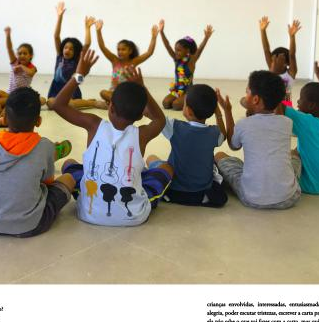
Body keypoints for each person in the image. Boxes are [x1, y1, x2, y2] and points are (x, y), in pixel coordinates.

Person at [54, 50, 173, 226]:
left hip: (89, 213)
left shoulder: (94, 124)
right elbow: (160, 119)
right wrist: (143, 88)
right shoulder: (141, 134)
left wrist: (79, 75)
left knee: (69, 163)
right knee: (165, 168)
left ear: (110, 108)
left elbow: (58, 105)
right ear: (140, 116)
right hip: (133, 216)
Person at [0, 88, 75, 237]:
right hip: (32, 225)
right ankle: (53, 155)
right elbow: (48, 182)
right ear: (39, 121)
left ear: (4, 119)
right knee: (68, 179)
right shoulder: (45, 146)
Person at [215, 70, 301, 209]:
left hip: (252, 198)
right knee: (294, 155)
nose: (245, 96)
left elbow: (233, 145)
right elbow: (278, 113)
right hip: (289, 197)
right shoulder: (287, 123)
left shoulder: (244, 124)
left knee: (220, 156)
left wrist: (227, 111)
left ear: (255, 100)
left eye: (247, 92)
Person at [146, 84, 231, 207]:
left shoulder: (175, 127)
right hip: (201, 194)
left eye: (184, 103)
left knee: (151, 158)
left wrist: (144, 89)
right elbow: (223, 135)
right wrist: (218, 114)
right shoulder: (214, 133)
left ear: (189, 111)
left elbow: (154, 115)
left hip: (173, 192)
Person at [280, 83, 319, 194]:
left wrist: (283, 87)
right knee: (299, 149)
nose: (298, 101)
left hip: (312, 186)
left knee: (291, 154)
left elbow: (278, 106)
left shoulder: (306, 122)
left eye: (301, 98)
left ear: (311, 105)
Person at [46, 2, 101, 109]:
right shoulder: (60, 56)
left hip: (71, 90)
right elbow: (56, 36)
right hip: (56, 89)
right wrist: (59, 16)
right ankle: (84, 102)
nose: (67, 50)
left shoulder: (77, 60)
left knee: (69, 104)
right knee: (51, 103)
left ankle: (91, 103)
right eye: (66, 47)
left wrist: (87, 28)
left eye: (71, 49)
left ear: (76, 52)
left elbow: (87, 44)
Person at [95, 19, 159, 105]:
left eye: (123, 49)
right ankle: (117, 102)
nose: (120, 52)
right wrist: (98, 31)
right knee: (103, 92)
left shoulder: (134, 62)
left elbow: (149, 52)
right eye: (118, 49)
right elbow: (102, 47)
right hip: (114, 92)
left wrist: (154, 37)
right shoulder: (114, 60)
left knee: (134, 97)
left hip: (128, 92)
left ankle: (115, 103)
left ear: (130, 51)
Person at [160, 20, 214, 110]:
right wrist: (162, 32)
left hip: (188, 91)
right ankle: (180, 99)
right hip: (177, 89)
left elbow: (200, 49)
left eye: (179, 50)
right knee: (165, 103)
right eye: (175, 50)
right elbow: (167, 46)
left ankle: (191, 99)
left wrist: (206, 38)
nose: (176, 52)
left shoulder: (191, 61)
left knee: (176, 105)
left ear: (187, 50)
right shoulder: (176, 60)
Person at [0, 26, 46, 105]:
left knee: (43, 100)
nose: (22, 55)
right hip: (11, 93)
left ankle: (14, 102)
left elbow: (31, 73)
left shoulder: (32, 67)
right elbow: (9, 48)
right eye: (19, 53)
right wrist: (8, 35)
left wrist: (21, 66)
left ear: (31, 55)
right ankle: (17, 102)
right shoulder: (14, 62)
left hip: (24, 94)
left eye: (25, 53)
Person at [258, 16, 301, 106]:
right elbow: (266, 50)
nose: (276, 62)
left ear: (287, 63)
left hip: (286, 105)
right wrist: (263, 31)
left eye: (281, 60)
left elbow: (292, 55)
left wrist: (292, 37)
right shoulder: (272, 67)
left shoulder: (291, 73)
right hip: (271, 104)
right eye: (274, 59)